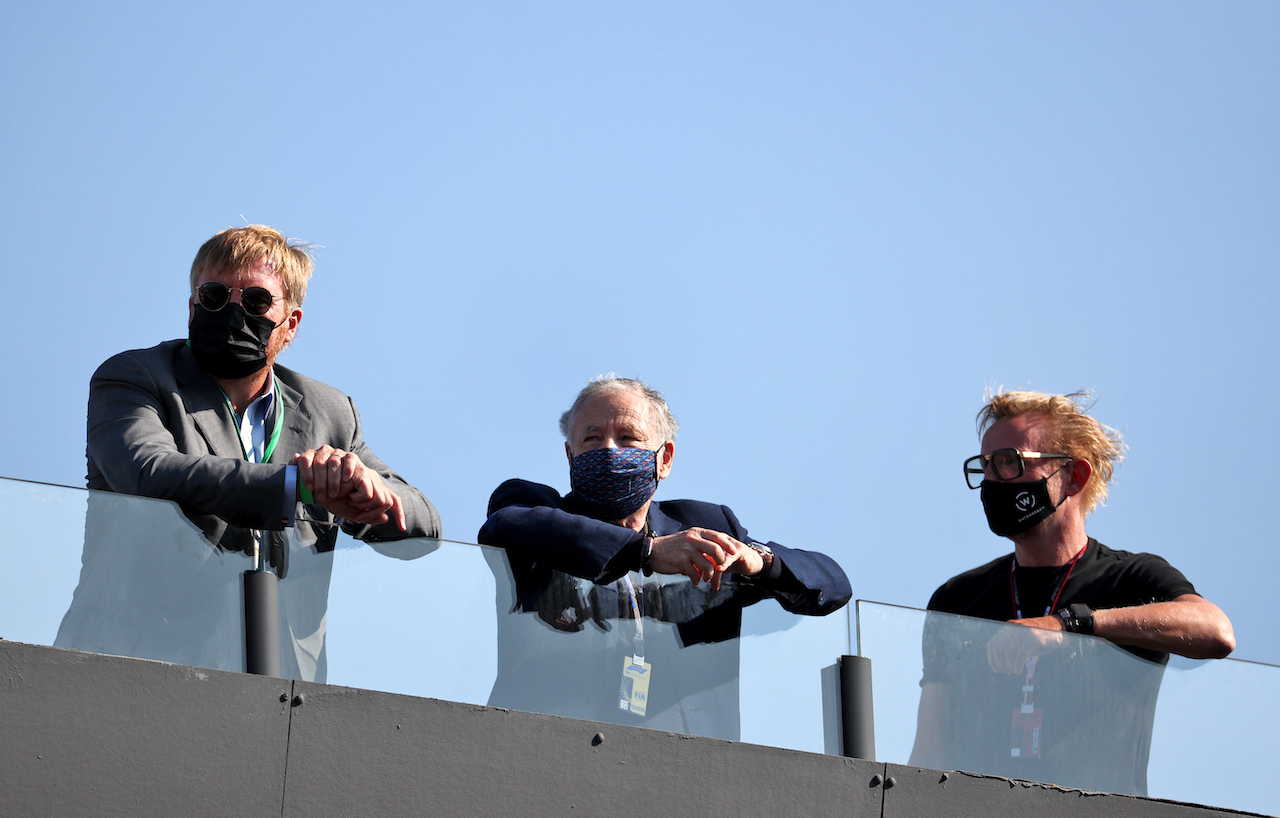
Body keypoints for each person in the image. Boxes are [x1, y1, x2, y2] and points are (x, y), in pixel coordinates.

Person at [56, 225, 441, 679]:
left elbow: (426, 526)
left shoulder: (329, 412)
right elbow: (149, 472)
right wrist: (302, 487)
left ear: (290, 324)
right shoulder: (135, 378)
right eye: (216, 296)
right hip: (127, 671)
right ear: (193, 306)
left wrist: (365, 492)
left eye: (257, 302)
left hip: (278, 696)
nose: (233, 311)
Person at [478, 376, 851, 739]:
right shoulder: (530, 507)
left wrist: (760, 562)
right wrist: (647, 553)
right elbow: (508, 526)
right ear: (570, 455)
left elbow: (832, 585)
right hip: (544, 754)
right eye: (592, 438)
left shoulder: (704, 526)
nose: (609, 450)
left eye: (628, 438)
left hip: (684, 769)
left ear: (665, 458)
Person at [909, 390, 1234, 795]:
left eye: (1010, 462)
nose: (992, 480)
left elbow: (1216, 631)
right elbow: (929, 752)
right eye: (986, 465)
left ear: (1074, 476)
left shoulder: (1130, 579)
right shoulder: (957, 599)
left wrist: (1071, 625)